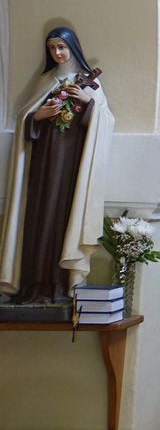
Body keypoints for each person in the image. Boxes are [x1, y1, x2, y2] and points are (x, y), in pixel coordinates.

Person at [0, 27, 114, 302]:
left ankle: (60, 287)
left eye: (61, 47)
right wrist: (37, 115)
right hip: (42, 165)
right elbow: (24, 119)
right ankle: (32, 287)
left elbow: (106, 121)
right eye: (52, 48)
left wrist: (87, 103)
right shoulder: (46, 81)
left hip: (71, 168)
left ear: (73, 48)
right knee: (38, 220)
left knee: (63, 219)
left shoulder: (90, 84)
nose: (57, 53)